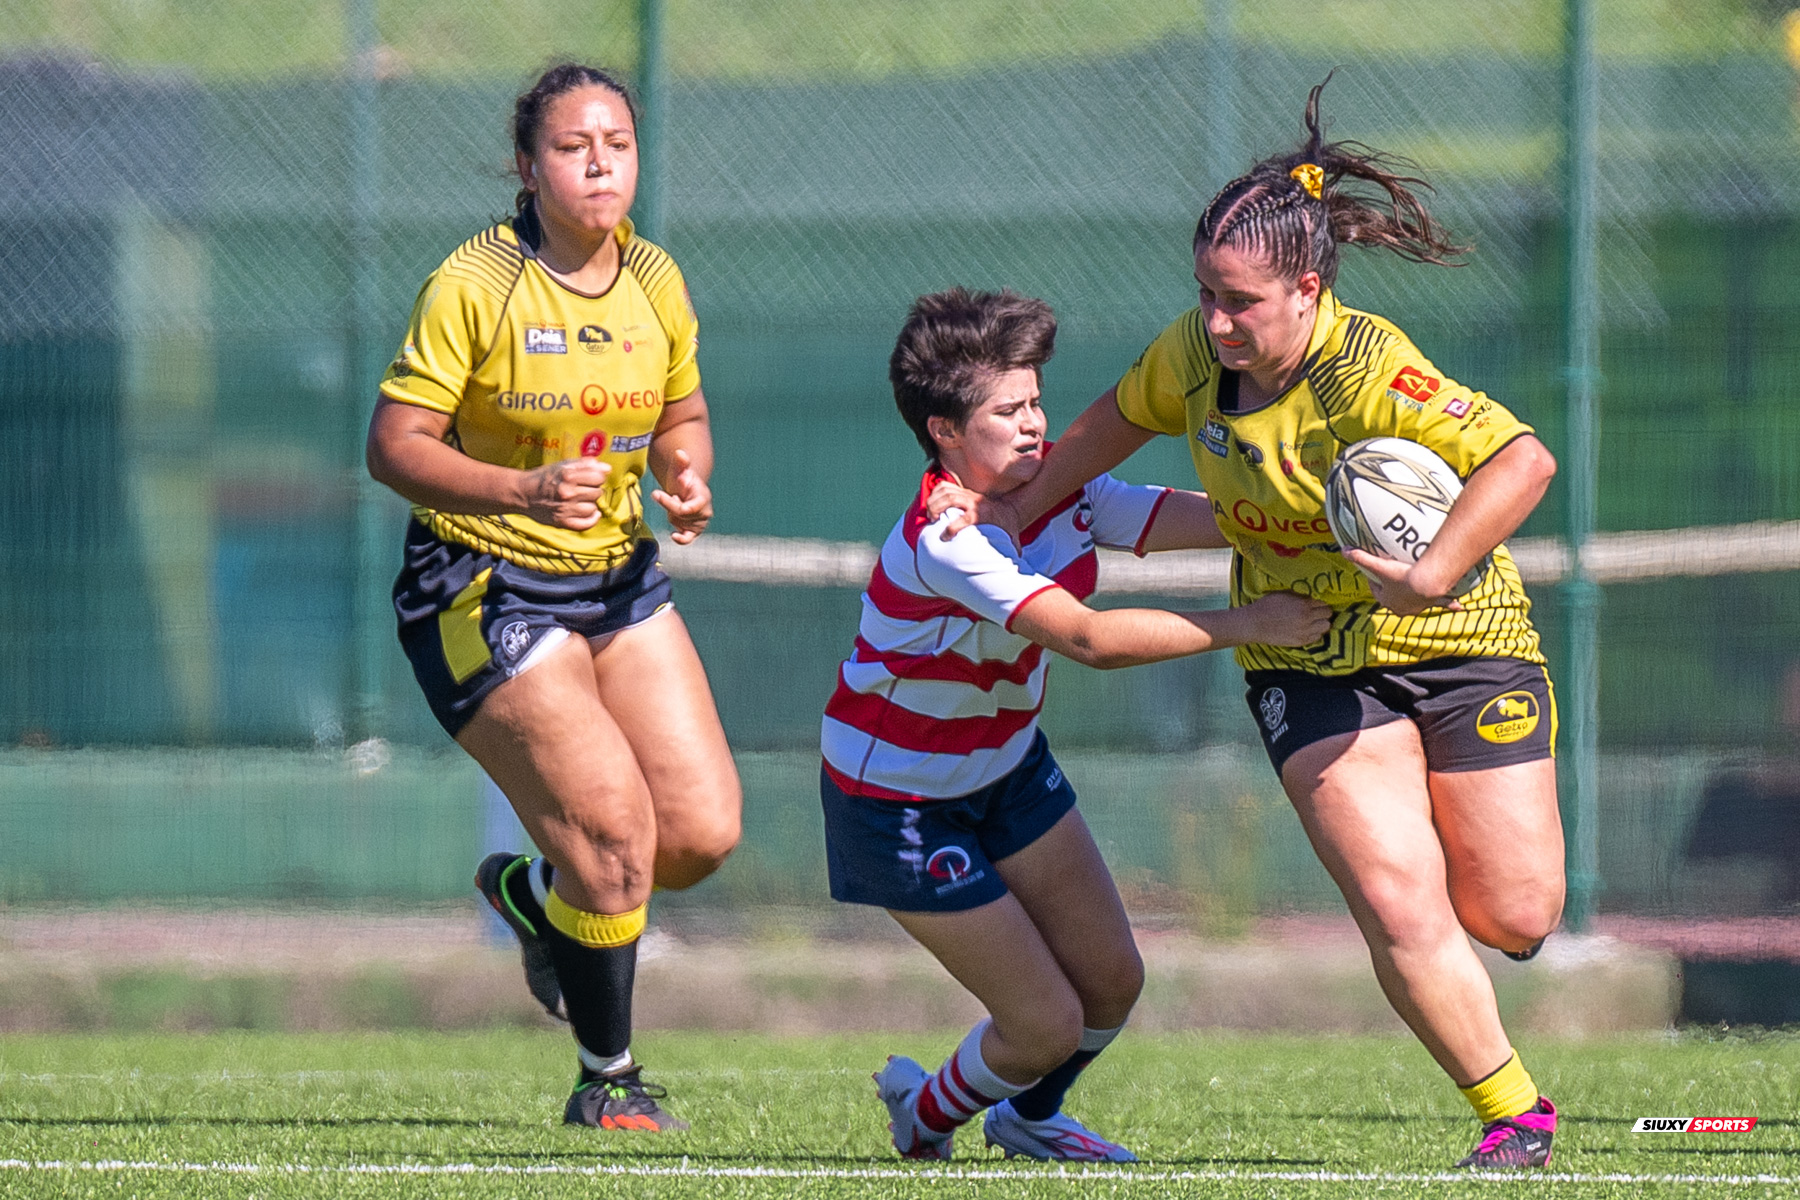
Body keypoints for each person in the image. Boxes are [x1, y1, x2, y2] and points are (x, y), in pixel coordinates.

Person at [928, 81, 1566, 1169]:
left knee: (1515, 915)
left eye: (1240, 302)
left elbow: (1524, 459)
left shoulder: (1373, 372)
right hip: (1303, 650)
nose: (1216, 323)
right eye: (1206, 297)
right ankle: (1517, 1117)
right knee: (1390, 887)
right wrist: (991, 506)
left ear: (1307, 290)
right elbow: (1097, 437)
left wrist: (1435, 571)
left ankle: (1481, 942)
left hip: (1463, 639)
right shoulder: (1192, 357)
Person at [826, 287, 1331, 1161]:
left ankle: (1027, 1118)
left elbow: (1191, 519)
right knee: (1044, 1022)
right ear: (945, 431)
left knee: (1111, 982)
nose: (1033, 425)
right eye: (1005, 411)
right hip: (897, 801)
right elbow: (1091, 640)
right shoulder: (946, 539)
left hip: (1007, 768)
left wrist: (1311, 519)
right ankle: (929, 1115)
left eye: (1035, 402)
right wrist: (1250, 621)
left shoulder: (1057, 486)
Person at [366, 63, 741, 1132]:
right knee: (614, 837)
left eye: (618, 143)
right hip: (482, 581)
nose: (600, 163)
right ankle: (608, 1079)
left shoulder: (655, 277)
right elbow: (393, 448)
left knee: (698, 837)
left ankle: (537, 898)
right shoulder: (476, 283)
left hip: (615, 578)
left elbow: (685, 411)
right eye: (575, 146)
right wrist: (521, 486)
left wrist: (687, 468)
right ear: (529, 169)